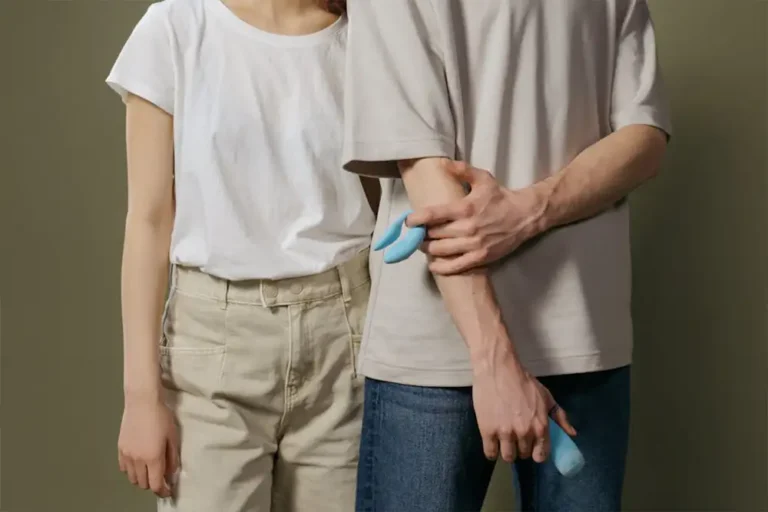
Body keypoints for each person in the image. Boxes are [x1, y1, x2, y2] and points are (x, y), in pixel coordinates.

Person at [342, 1, 671, 511]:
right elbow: (423, 165)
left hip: (573, 340)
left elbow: (646, 138)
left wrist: (528, 211)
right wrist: (494, 362)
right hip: (445, 350)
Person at [106, 0, 375, 510]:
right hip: (212, 347)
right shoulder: (177, 27)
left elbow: (389, 202)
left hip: (346, 336)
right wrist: (140, 398)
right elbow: (147, 221)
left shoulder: (363, 38)